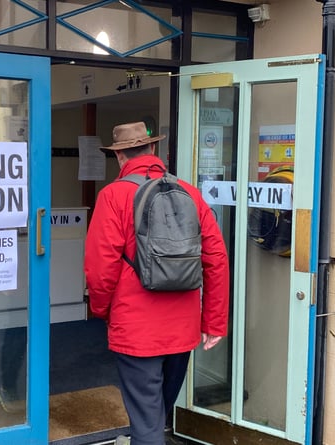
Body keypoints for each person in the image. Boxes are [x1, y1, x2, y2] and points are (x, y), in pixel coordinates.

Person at [84, 122, 230, 445]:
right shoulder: (190, 193)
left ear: (120, 157)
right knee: (155, 417)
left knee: (147, 426)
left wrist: (102, 311)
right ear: (153, 151)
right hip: (183, 331)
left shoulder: (113, 197)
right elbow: (216, 257)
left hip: (136, 331)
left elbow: (99, 269)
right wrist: (214, 322)